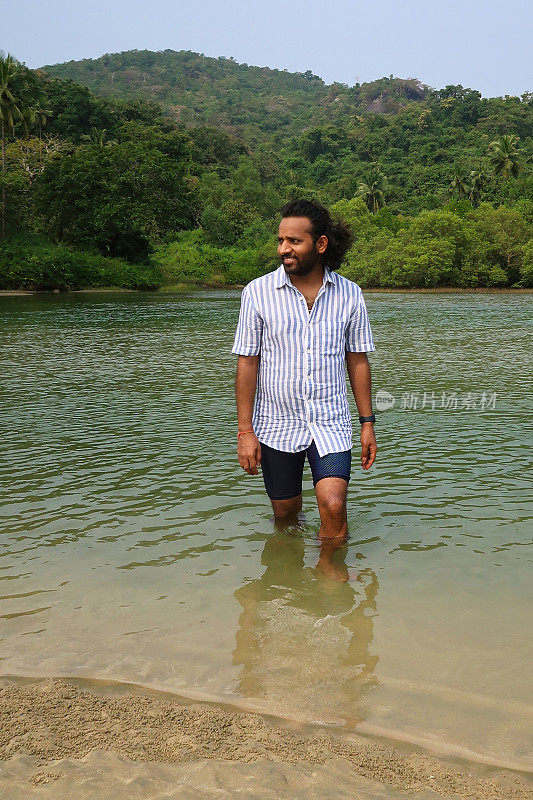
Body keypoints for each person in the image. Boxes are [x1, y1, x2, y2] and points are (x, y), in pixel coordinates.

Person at [232, 198, 377, 542]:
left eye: (294, 241)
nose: (284, 249)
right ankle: (293, 584)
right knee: (285, 515)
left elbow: (357, 361)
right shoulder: (257, 293)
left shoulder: (350, 295)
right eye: (281, 240)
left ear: (321, 244)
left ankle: (329, 579)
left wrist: (368, 423)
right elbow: (247, 362)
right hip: (276, 424)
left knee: (333, 503)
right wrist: (244, 431)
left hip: (330, 421)